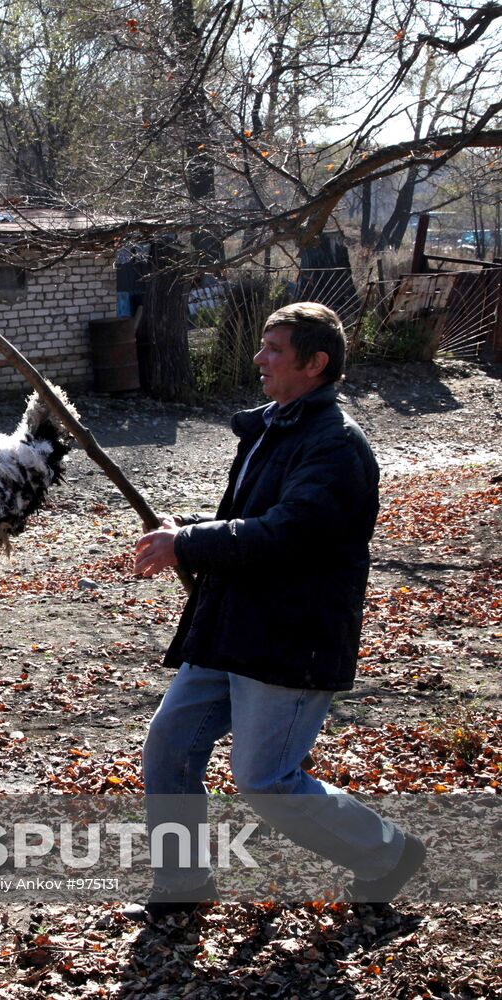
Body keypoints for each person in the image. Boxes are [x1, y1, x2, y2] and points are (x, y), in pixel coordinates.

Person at [128, 301, 424, 921]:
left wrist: (189, 542)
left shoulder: (336, 447)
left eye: (275, 350)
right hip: (230, 627)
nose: (258, 359)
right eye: (262, 346)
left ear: (315, 364)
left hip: (292, 638)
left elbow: (286, 534)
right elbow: (252, 518)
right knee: (169, 749)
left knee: (267, 782)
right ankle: (183, 881)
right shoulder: (274, 426)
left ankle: (389, 854)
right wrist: (191, 530)